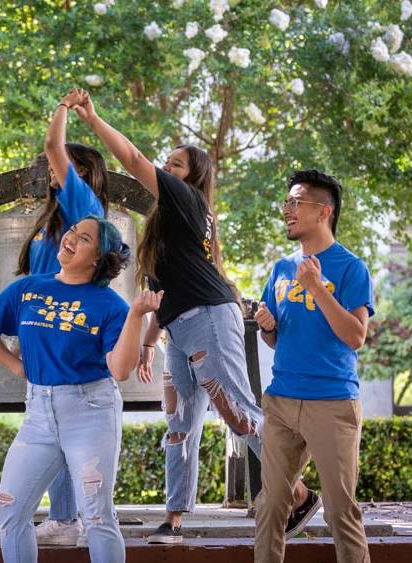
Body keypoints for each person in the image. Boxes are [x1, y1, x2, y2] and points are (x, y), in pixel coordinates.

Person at [72, 90, 311, 543]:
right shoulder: (173, 222)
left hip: (209, 319)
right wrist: (147, 341)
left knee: (239, 412)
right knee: (180, 424)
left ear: (192, 176)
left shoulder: (185, 199)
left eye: (175, 164)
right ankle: (175, 516)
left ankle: (297, 493)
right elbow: (165, 287)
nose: (166, 169)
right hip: (180, 326)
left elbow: (133, 157)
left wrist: (95, 119)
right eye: (168, 163)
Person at [0, 216, 160, 563]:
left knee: (97, 516)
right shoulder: (27, 289)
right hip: (38, 415)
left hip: (90, 413)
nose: (70, 238)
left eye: (83, 238)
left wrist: (136, 317)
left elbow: (119, 369)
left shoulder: (112, 306)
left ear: (98, 259)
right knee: (9, 510)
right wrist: (17, 367)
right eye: (72, 231)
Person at [253, 170, 373, 563]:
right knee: (270, 506)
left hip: (332, 403)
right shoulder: (281, 269)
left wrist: (318, 288)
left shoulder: (350, 267)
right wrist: (267, 328)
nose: (286, 210)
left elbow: (356, 336)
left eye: (295, 202)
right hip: (282, 401)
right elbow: (277, 337)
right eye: (286, 203)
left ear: (324, 211)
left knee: (341, 512)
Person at [14, 89, 110, 546]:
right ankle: (67, 517)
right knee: (48, 422)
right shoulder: (56, 219)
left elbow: (54, 148)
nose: (50, 170)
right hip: (42, 330)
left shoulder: (85, 207)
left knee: (63, 423)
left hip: (67, 330)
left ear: (81, 172)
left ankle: (71, 519)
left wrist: (63, 107)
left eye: (62, 167)